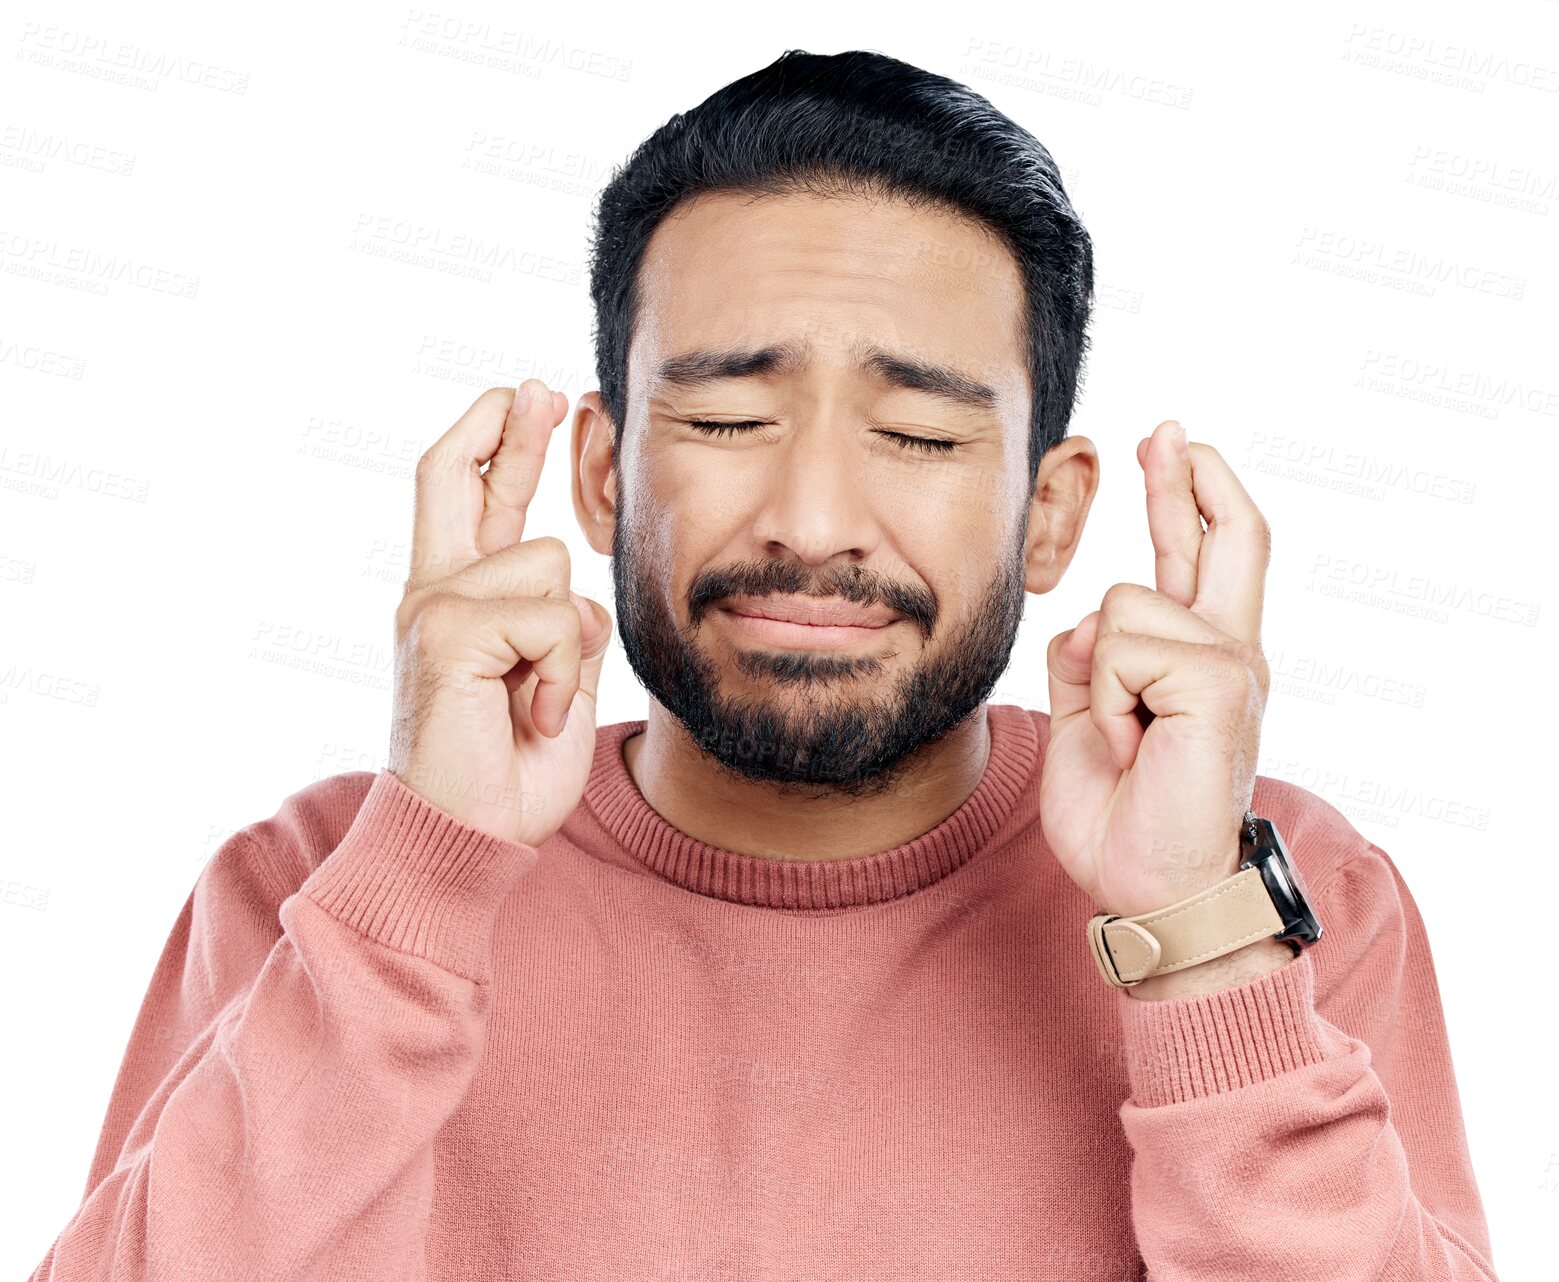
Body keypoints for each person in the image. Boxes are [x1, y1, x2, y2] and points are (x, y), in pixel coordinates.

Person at [29, 48, 1497, 1281]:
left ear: (1049, 514)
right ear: (603, 473)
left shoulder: (1279, 891)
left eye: (919, 436)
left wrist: (1198, 945)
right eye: (728, 420)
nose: (810, 521)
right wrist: (424, 871)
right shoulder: (318, 886)